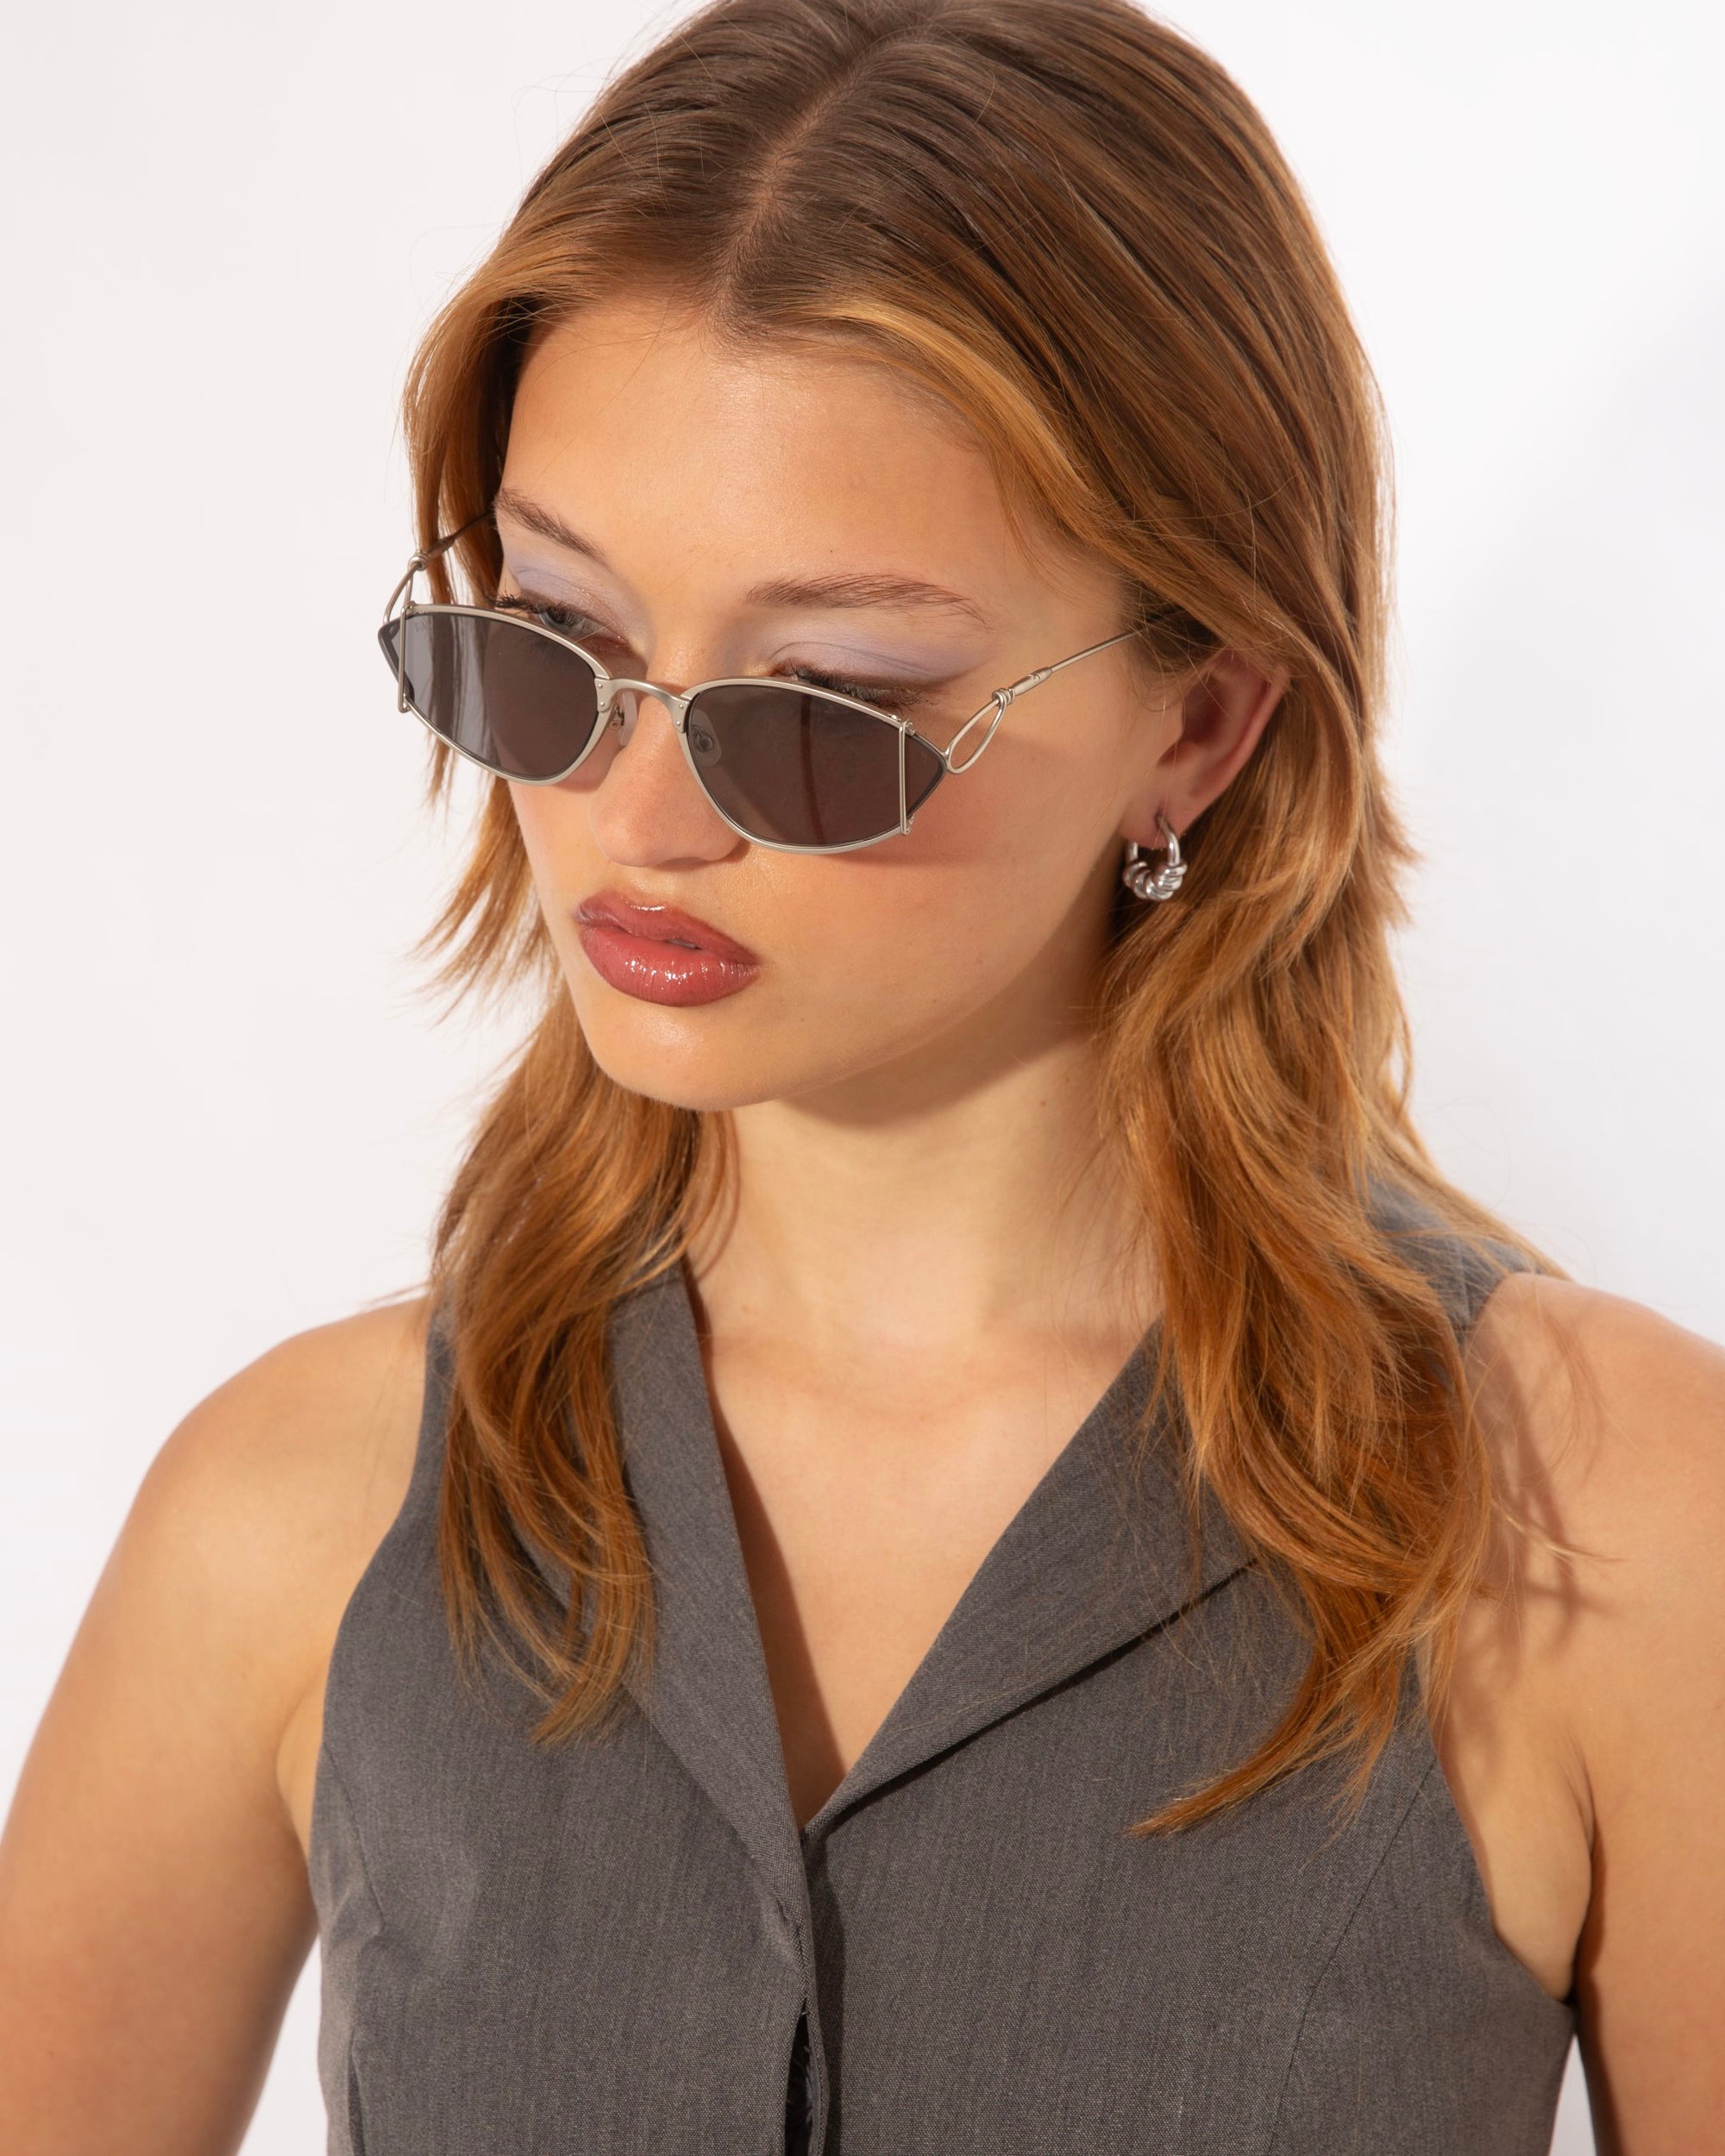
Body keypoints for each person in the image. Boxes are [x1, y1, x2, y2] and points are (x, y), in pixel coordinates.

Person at [2, 0, 1721, 2149]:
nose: (637, 816)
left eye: (820, 707)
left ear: (1202, 724)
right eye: (551, 650)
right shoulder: (295, 1517)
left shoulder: (1609, 1526)